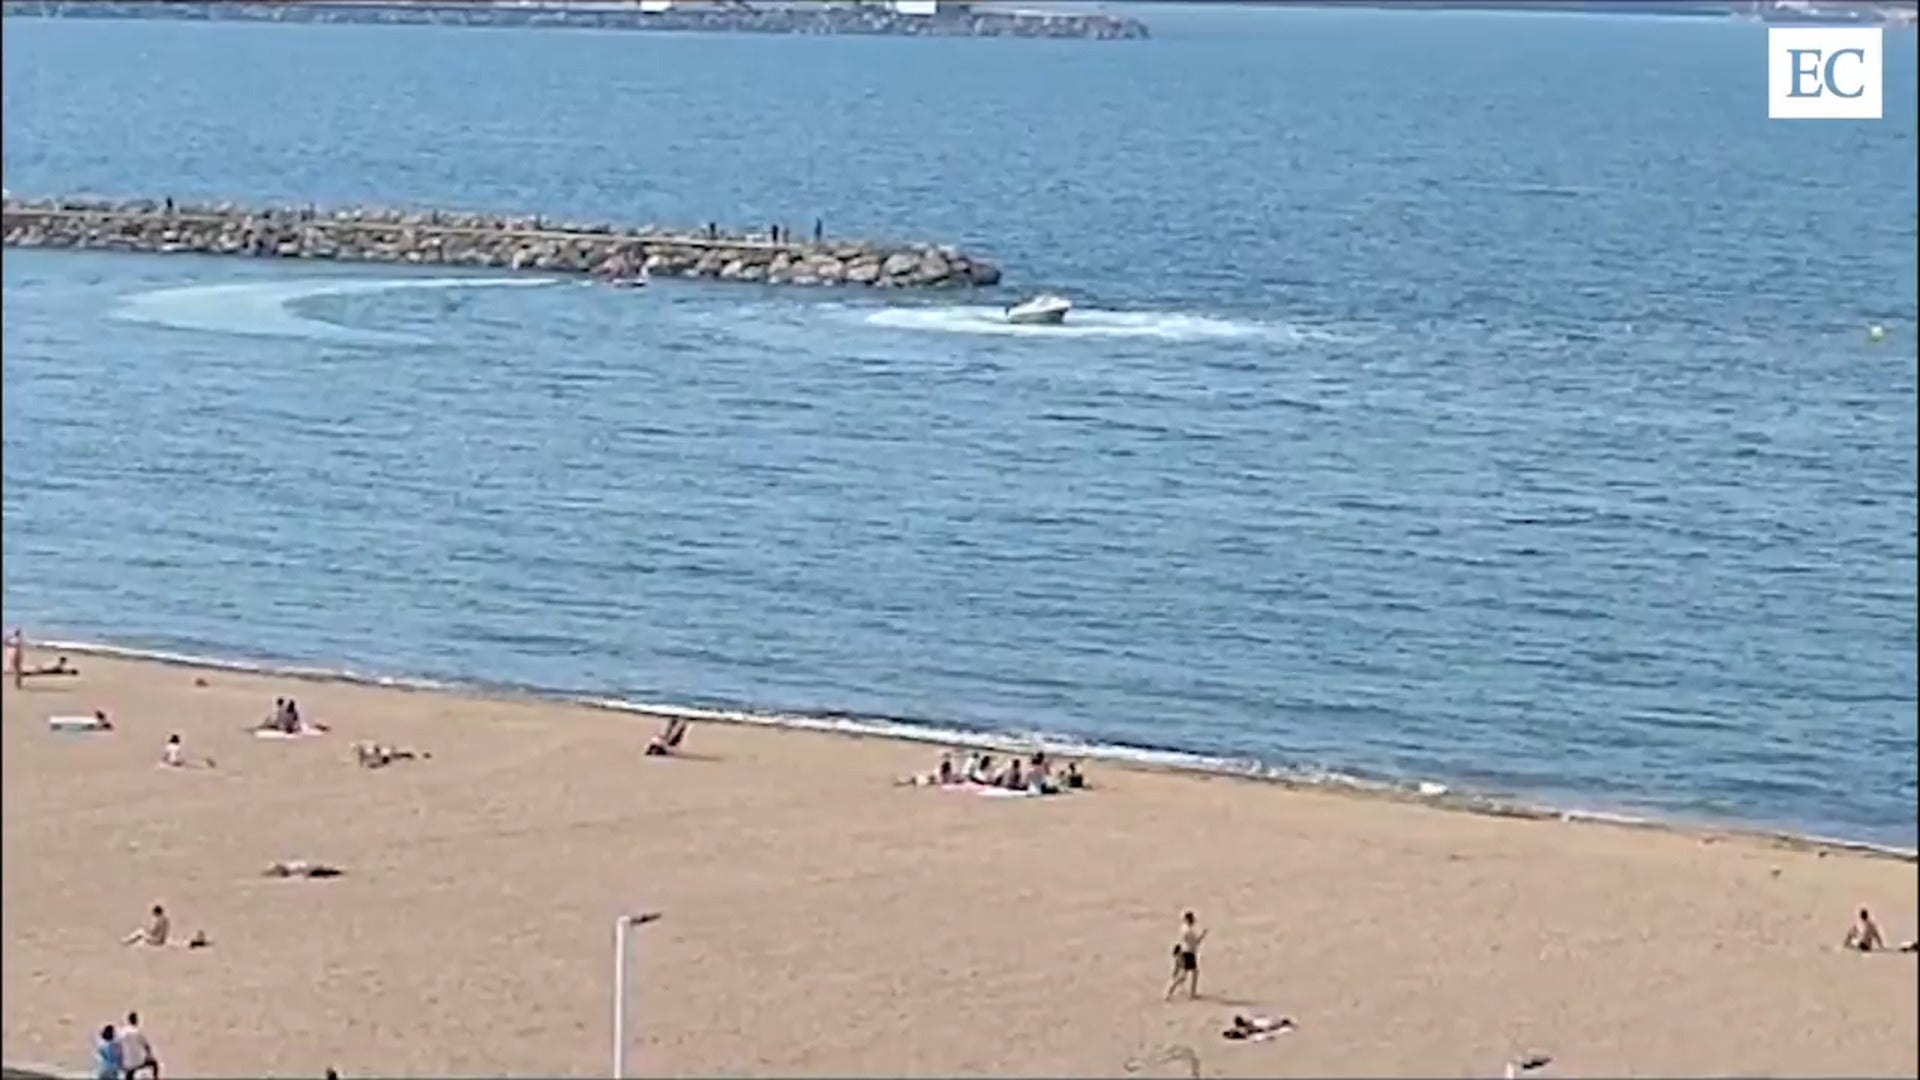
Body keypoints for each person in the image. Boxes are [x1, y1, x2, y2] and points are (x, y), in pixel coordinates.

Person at [1165, 910, 1206, 1001]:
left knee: (1192, 973)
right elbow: (1196, 942)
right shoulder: (1189, 931)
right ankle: (1170, 991)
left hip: (1184, 951)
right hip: (1188, 953)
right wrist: (1203, 935)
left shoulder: (1183, 928)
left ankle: (1190, 992)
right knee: (1184, 976)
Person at [119, 1011, 161, 1080]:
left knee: (128, 1072)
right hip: (139, 1062)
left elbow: (118, 1046)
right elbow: (147, 1046)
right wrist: (149, 1055)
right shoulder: (138, 1032)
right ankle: (155, 1078)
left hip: (126, 1063)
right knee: (154, 1063)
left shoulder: (122, 1032)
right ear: (136, 1020)